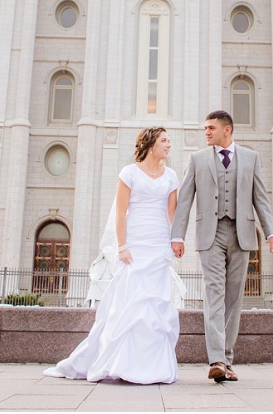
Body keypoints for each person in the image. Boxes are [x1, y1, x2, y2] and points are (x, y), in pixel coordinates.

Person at [44, 127, 180, 384]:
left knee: (157, 304)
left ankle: (155, 367)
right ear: (151, 145)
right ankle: (121, 363)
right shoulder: (128, 173)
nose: (168, 144)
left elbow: (172, 213)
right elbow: (121, 212)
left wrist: (175, 241)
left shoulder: (171, 176)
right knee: (130, 304)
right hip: (136, 245)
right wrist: (122, 246)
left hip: (158, 244)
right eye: (164, 140)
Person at [171, 111, 273, 383]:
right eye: (205, 128)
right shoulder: (196, 159)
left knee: (233, 299)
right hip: (211, 234)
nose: (206, 132)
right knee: (214, 293)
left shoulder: (251, 158)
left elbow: (261, 198)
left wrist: (271, 233)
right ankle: (216, 359)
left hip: (242, 234)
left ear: (227, 130)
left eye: (211, 128)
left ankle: (227, 360)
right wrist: (178, 236)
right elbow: (184, 200)